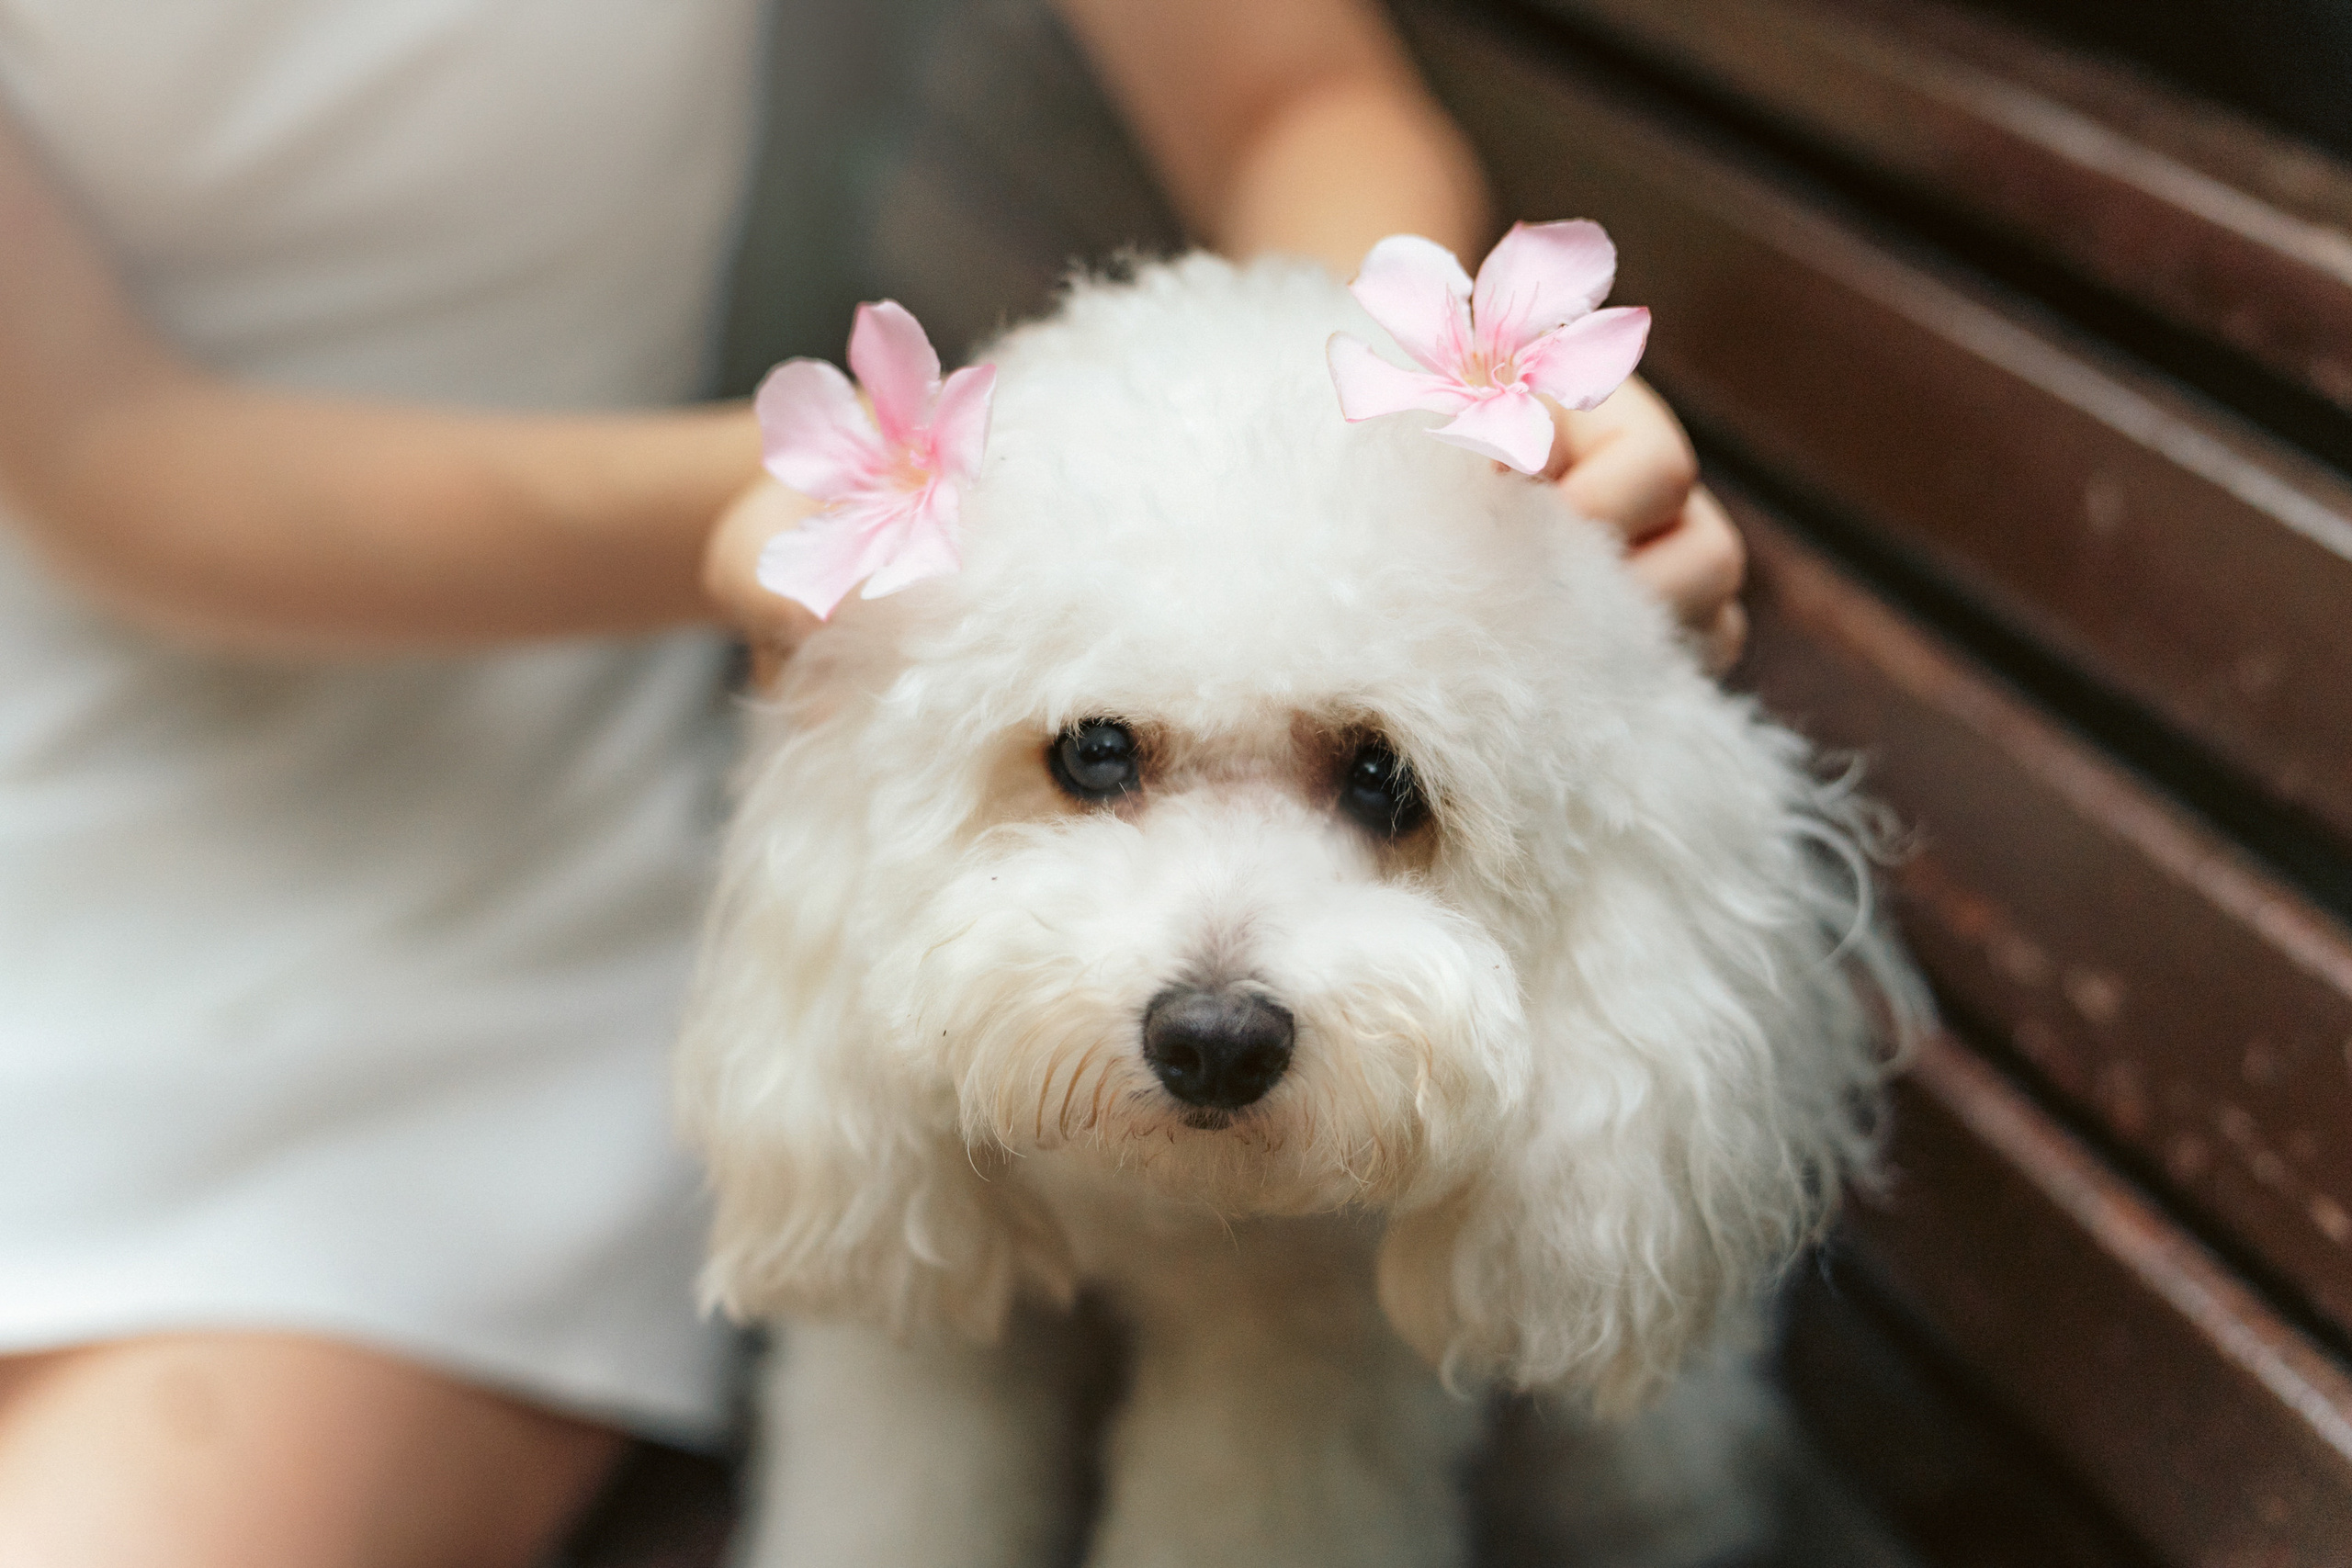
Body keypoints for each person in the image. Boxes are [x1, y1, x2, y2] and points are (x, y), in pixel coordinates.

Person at [0, 2, 1742, 1563]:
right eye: (1100, 757)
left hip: (491, 866)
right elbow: (99, 450)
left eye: (1367, 778)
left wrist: (1384, 462)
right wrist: (913, 508)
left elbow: (1290, 88)